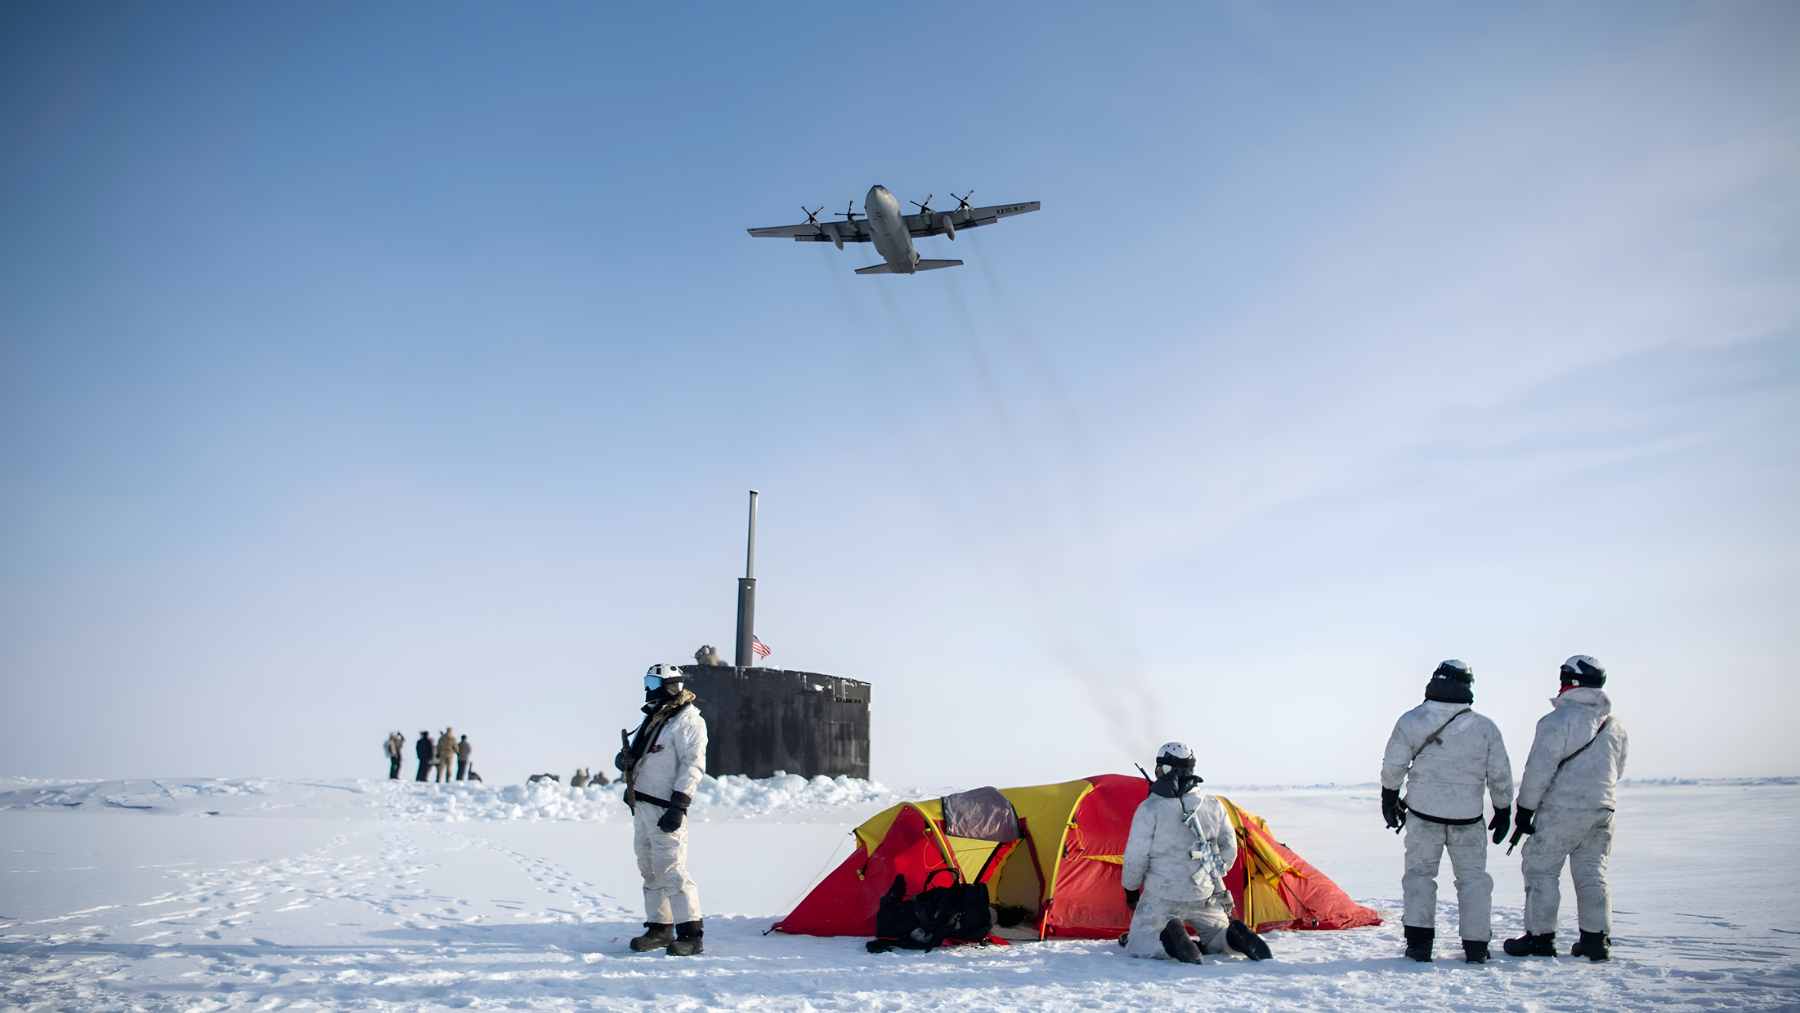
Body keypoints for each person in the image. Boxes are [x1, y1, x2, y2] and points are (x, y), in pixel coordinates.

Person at [1379, 659, 1514, 963]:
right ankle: (1476, 946)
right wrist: (1503, 809)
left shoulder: (1411, 721)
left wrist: (1389, 798)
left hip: (1423, 814)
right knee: (1473, 881)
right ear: (1468, 686)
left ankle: (1419, 943)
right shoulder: (1484, 727)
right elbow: (1500, 774)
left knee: (1419, 876)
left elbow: (1393, 765)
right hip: (1468, 818)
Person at [1504, 655, 1629, 962]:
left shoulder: (1556, 722)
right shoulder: (1614, 727)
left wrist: (1524, 809)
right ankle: (1595, 941)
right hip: (1603, 810)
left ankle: (1540, 938)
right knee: (1592, 873)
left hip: (1563, 810)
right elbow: (1619, 770)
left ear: (1569, 682)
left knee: (1541, 870)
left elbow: (1539, 770)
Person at [1120, 742, 1272, 964]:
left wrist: (1131, 889)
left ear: (1165, 769)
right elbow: (1229, 849)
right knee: (1216, 935)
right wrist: (1209, 874)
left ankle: (1171, 940)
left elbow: (1135, 857)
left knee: (1138, 943)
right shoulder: (1213, 805)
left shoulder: (1150, 809)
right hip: (1205, 892)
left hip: (1162, 896)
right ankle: (1231, 938)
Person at [615, 662, 708, 956]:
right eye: (647, 682)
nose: (647, 689)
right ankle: (659, 928)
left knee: (671, 870)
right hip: (642, 804)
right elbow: (645, 753)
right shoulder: (656, 717)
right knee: (649, 868)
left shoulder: (688, 721)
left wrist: (679, 806)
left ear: (672, 686)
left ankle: (691, 934)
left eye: (653, 683)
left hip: (666, 807)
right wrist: (625, 760)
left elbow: (693, 766)